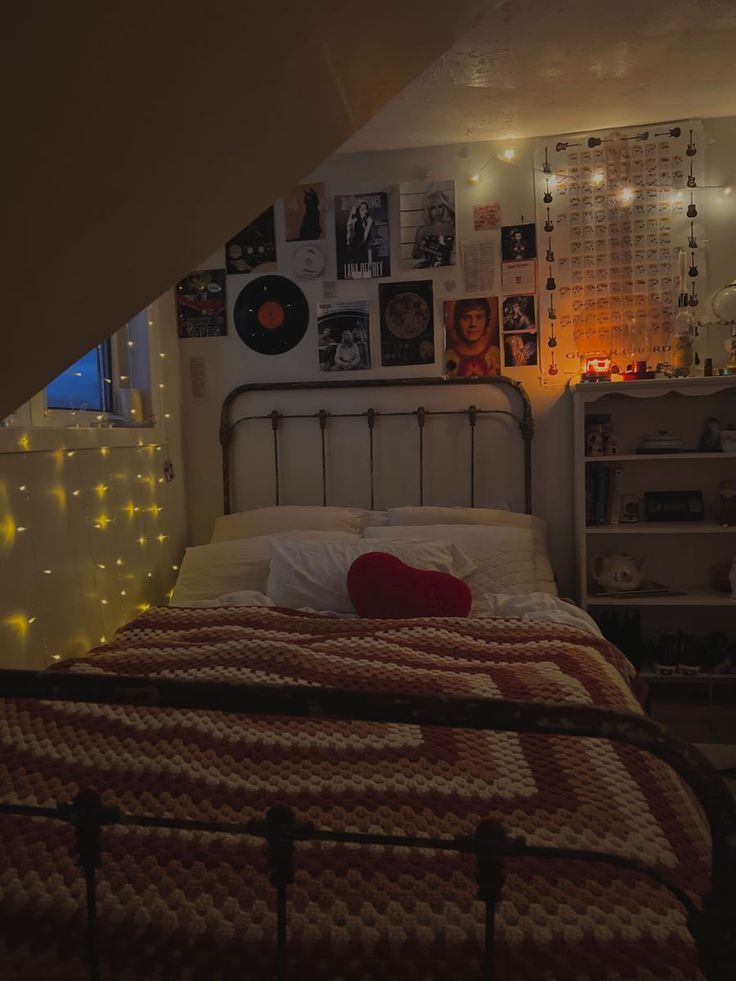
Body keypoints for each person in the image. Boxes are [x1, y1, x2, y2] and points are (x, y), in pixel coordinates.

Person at [445, 298, 500, 376]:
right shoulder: (448, 356)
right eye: (466, 318)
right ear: (457, 321)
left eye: (479, 317)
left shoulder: (495, 354)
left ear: (486, 320)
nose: (473, 324)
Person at [412, 190, 455, 267]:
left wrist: (444, 202)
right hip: (429, 268)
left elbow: (460, 214)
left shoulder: (451, 225)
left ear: (444, 208)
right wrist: (427, 250)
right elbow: (415, 254)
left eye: (440, 206)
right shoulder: (423, 230)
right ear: (428, 211)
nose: (437, 211)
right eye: (433, 208)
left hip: (449, 268)